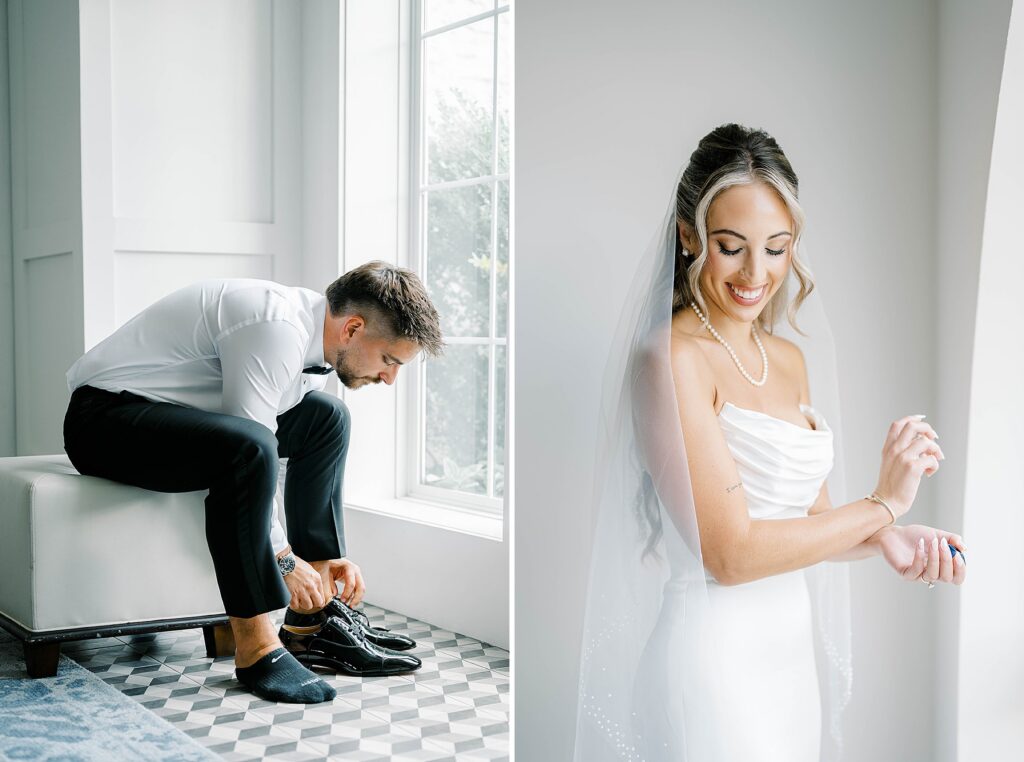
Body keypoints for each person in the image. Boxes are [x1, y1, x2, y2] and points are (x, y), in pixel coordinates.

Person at [573, 124, 967, 761]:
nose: (756, 274)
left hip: (788, 662)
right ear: (687, 236)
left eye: (777, 248)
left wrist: (890, 537)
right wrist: (883, 505)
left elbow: (808, 521)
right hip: (712, 668)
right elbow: (730, 555)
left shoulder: (785, 359)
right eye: (731, 247)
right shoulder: (670, 358)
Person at [63, 260, 443, 705]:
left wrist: (326, 559)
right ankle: (257, 648)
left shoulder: (312, 336)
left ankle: (313, 622)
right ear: (353, 329)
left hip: (173, 417)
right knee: (249, 448)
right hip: (103, 423)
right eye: (389, 360)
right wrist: (283, 558)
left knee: (328, 418)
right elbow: (253, 444)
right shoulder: (274, 327)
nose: (389, 377)